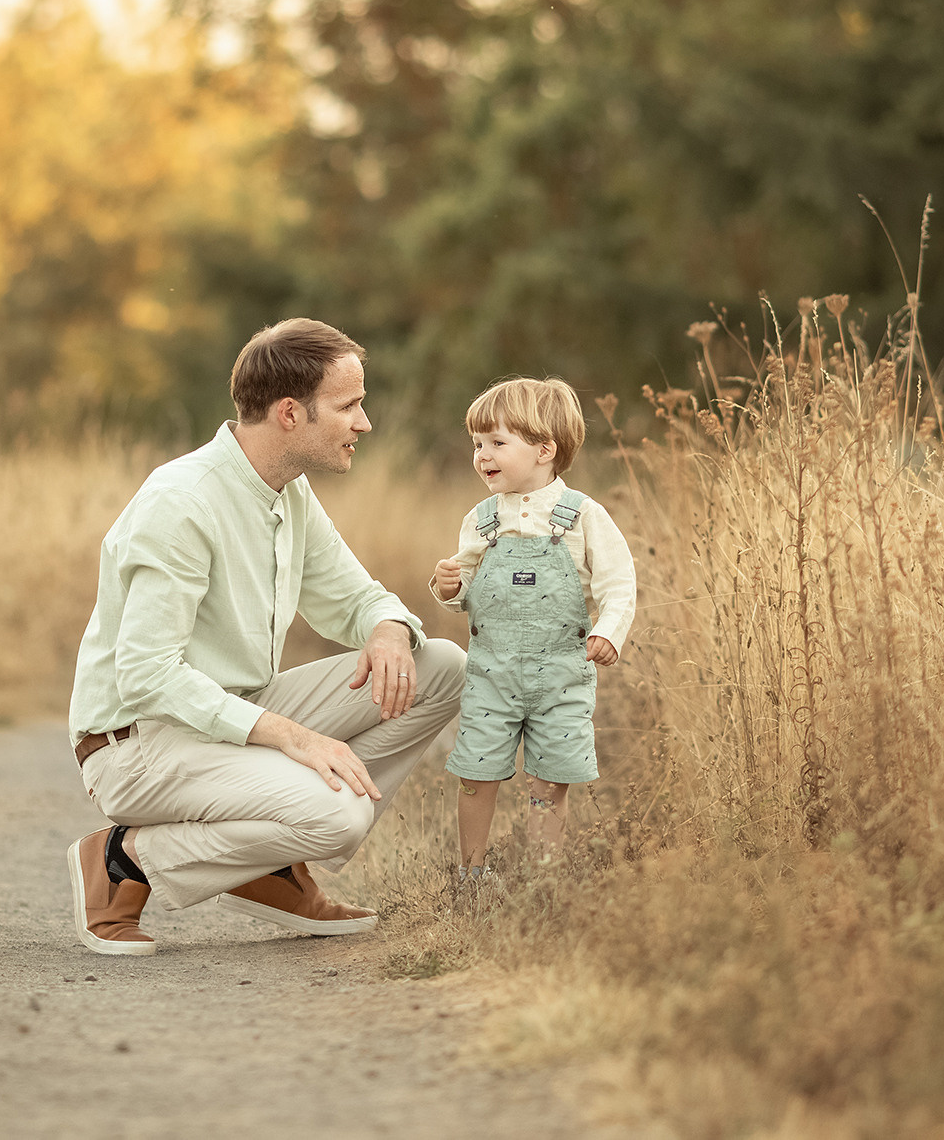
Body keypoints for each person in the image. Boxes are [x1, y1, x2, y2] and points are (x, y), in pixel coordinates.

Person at [67, 319, 467, 956]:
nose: (365, 423)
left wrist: (388, 629)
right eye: (350, 406)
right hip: (138, 743)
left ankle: (275, 862)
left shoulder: (288, 491)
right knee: (339, 814)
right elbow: (145, 674)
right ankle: (125, 859)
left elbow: (353, 597)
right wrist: (295, 737)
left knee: (440, 665)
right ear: (289, 413)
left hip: (234, 713)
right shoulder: (183, 502)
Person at [428, 377, 636, 884]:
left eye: (498, 443)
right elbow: (468, 598)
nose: (482, 455)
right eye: (477, 444)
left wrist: (609, 631)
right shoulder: (480, 521)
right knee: (476, 774)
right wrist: (449, 586)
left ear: (546, 449)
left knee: (549, 779)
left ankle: (543, 876)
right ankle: (471, 874)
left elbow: (619, 583)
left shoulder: (584, 516)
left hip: (562, 675)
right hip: (492, 674)